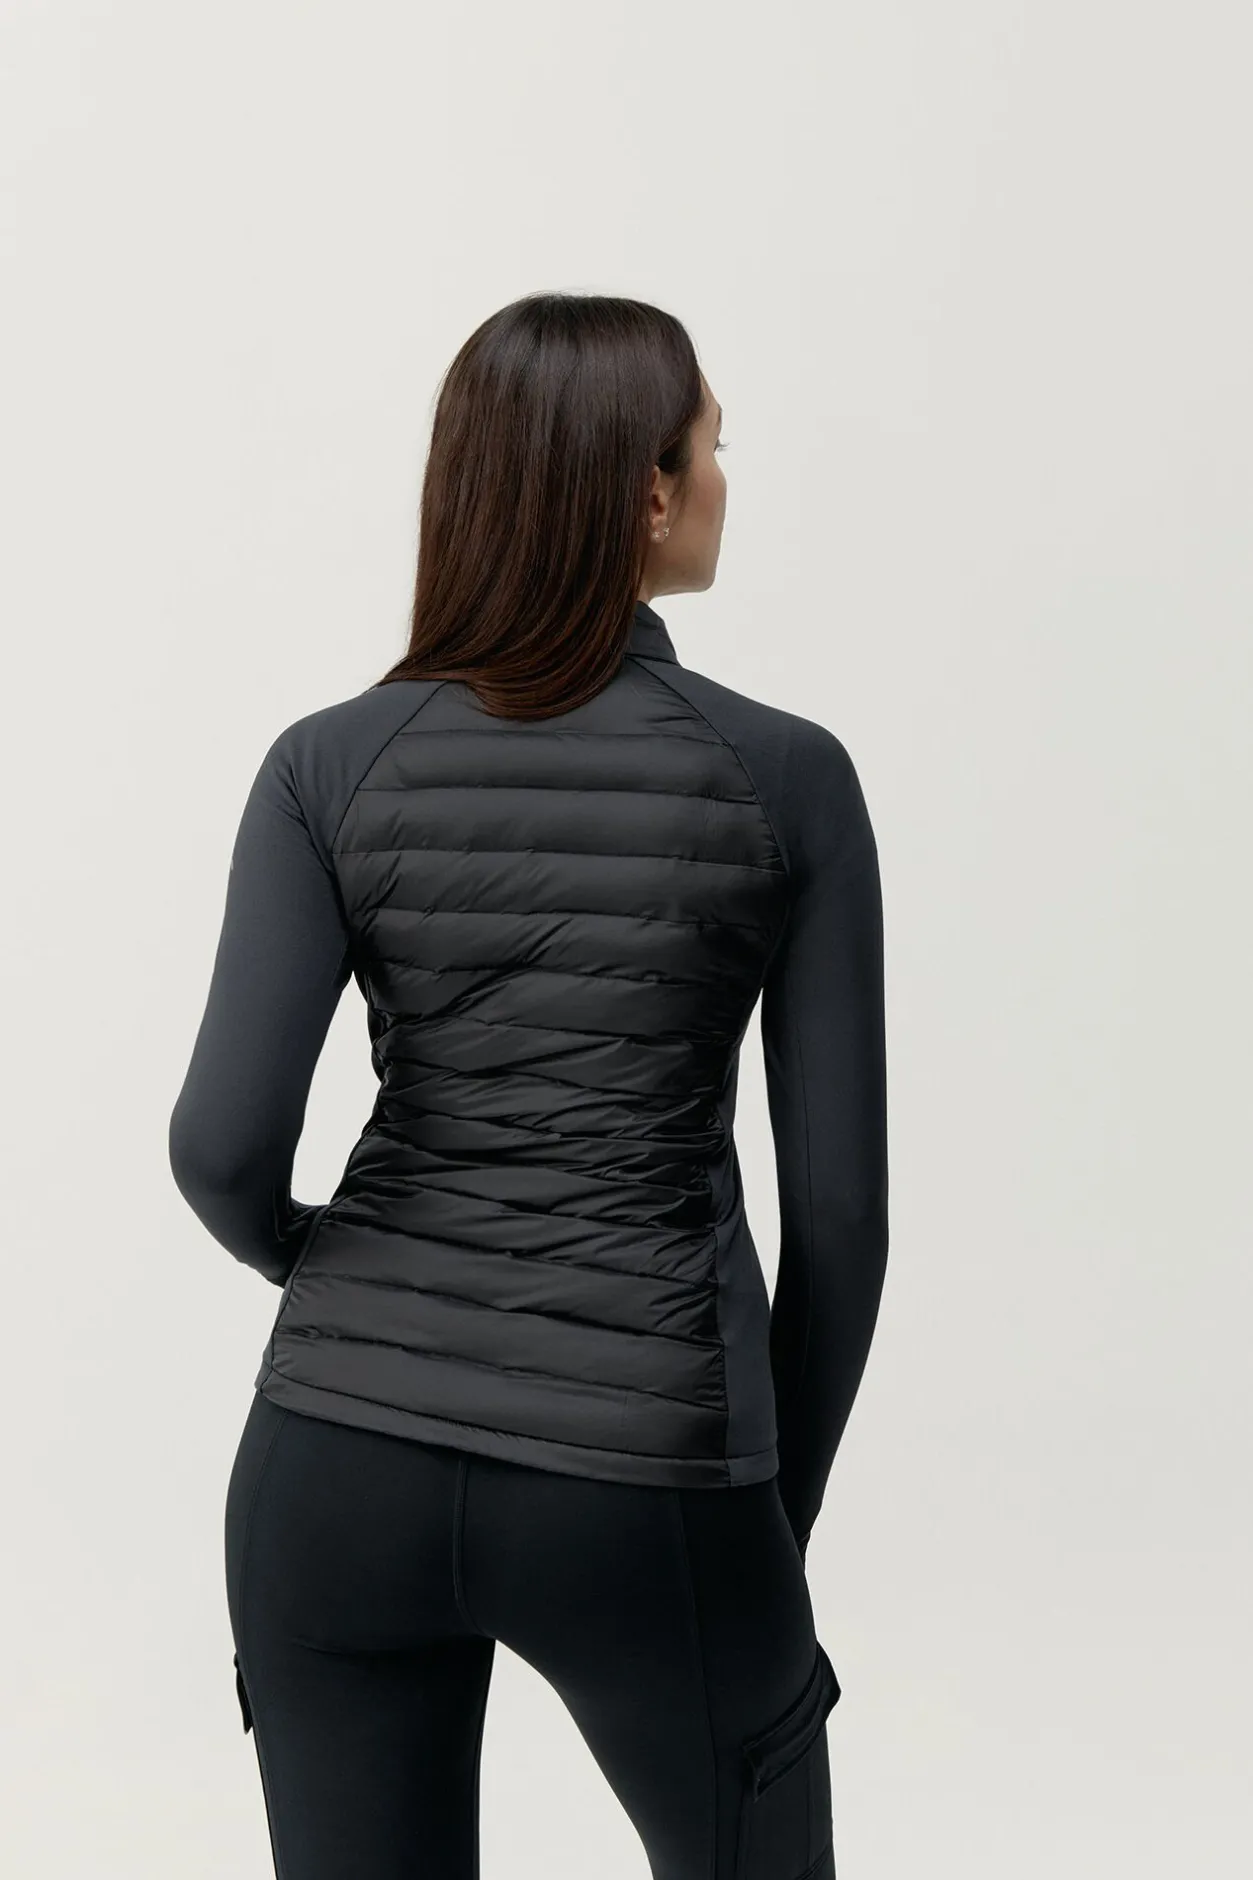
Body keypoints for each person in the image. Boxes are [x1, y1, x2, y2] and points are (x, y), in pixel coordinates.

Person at [168, 291, 889, 1880]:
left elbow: (219, 1148)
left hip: (331, 1466)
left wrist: (339, 1271)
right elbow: (841, 1223)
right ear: (647, 494)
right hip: (650, 1473)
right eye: (713, 447)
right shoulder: (787, 778)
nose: (724, 479)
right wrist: (768, 1527)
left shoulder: (325, 765)